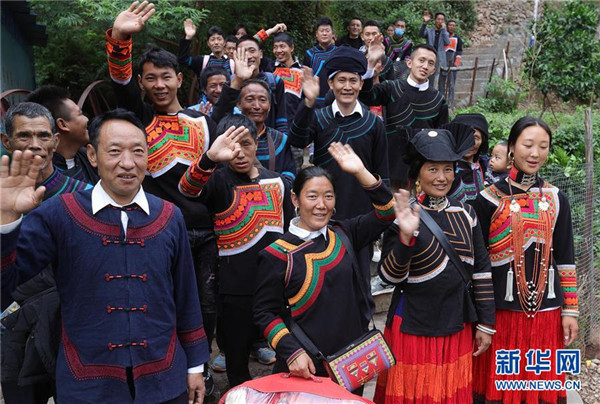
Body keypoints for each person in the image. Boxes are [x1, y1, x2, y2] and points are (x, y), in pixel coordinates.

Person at [1, 108, 211, 403]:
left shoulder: (169, 216)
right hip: (87, 384)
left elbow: (186, 294)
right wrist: (6, 222)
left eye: (137, 151)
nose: (127, 162)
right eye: (114, 151)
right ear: (92, 155)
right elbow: (7, 281)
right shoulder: (60, 213)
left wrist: (195, 365)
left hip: (164, 378)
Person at [105, 2, 219, 394]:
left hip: (206, 231)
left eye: (165, 77)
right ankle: (163, 370)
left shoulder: (203, 122)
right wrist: (121, 40)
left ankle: (200, 369)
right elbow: (120, 84)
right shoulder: (138, 120)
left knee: (206, 304)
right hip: (159, 230)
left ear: (178, 78)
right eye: (150, 78)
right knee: (160, 300)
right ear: (141, 82)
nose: (159, 84)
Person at [253, 142, 395, 392]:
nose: (321, 204)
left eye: (328, 196)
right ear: (295, 199)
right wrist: (291, 351)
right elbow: (264, 312)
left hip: (351, 363)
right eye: (312, 196)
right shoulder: (277, 254)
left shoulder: (345, 233)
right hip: (305, 367)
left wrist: (361, 172)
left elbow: (387, 212)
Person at [374, 128, 495, 404]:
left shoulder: (466, 213)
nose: (442, 177)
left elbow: (481, 269)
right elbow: (389, 276)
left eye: (448, 169)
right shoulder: (404, 214)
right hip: (412, 326)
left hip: (456, 322)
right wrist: (405, 239)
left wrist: (486, 323)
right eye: (433, 169)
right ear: (417, 173)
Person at [179, 114, 293, 388]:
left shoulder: (279, 183)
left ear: (257, 144)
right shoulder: (217, 182)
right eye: (231, 146)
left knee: (286, 353)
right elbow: (187, 188)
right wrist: (210, 158)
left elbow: (291, 232)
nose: (239, 152)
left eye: (246, 143)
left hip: (276, 285)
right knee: (236, 359)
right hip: (234, 289)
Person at [472, 116, 578, 404]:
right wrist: (482, 317)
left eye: (543, 146)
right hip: (501, 315)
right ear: (511, 148)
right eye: (528, 145)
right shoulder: (487, 199)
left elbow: (565, 257)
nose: (535, 153)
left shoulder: (556, 199)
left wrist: (570, 310)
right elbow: (478, 264)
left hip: (546, 314)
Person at [0, 102, 92, 404]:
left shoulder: (83, 196)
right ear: (6, 141)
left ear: (55, 139)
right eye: (24, 136)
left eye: (43, 135)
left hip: (70, 327)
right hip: (11, 327)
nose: (35, 144)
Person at [360, 42, 449, 189]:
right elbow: (367, 96)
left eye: (430, 63)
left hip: (424, 176)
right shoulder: (391, 87)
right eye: (421, 60)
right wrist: (370, 63)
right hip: (391, 168)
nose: (425, 66)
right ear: (409, 63)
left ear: (433, 70)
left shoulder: (438, 100)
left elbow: (442, 138)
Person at [211, 48, 296, 184]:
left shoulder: (280, 140)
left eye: (262, 100)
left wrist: (275, 187)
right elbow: (217, 117)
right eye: (250, 99)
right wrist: (237, 81)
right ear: (239, 104)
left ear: (269, 106)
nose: (257, 106)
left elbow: (289, 173)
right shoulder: (228, 137)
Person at [27, 86, 99, 184]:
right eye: (80, 114)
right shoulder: (43, 175)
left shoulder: (87, 156)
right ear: (63, 124)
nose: (86, 119)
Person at [271, 32, 305, 171]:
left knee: (295, 170)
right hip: (272, 131)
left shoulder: (302, 72)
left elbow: (308, 103)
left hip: (294, 131)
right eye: (275, 47)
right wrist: (272, 30)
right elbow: (247, 46)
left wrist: (307, 129)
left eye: (282, 46)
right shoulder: (270, 70)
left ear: (291, 48)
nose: (278, 50)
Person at [448, 113, 490, 205]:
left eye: (476, 138)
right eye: (465, 136)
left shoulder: (487, 165)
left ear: (482, 141)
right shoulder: (447, 167)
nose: (470, 143)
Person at [303, 17, 336, 108]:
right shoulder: (310, 54)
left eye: (327, 31)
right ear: (316, 34)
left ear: (332, 34)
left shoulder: (338, 53)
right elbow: (306, 77)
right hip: (314, 99)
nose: (324, 33)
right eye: (321, 31)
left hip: (335, 100)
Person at [419, 11, 450, 89]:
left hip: (441, 60)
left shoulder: (444, 33)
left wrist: (443, 30)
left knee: (441, 84)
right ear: (435, 20)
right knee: (429, 81)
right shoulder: (429, 31)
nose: (440, 21)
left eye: (442, 20)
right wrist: (425, 23)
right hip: (430, 58)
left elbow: (447, 42)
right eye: (438, 19)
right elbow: (421, 34)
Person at [439, 19, 463, 107]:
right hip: (442, 62)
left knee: (451, 84)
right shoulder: (442, 37)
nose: (452, 27)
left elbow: (459, 52)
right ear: (447, 26)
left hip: (452, 63)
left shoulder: (458, 39)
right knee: (441, 83)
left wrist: (456, 63)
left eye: (454, 25)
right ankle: (441, 101)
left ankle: (450, 103)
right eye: (450, 25)